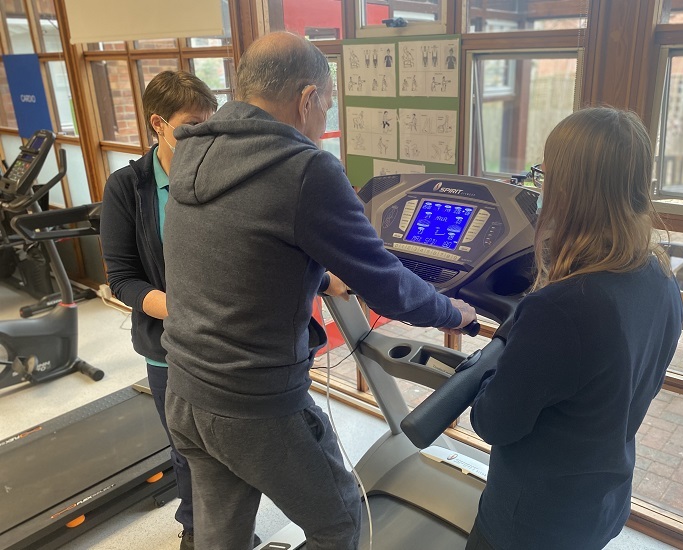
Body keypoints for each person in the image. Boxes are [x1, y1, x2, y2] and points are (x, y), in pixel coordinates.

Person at [161, 32, 476, 550]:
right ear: (307, 98)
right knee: (340, 521)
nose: (324, 120)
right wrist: (453, 315)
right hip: (256, 405)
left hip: (187, 390)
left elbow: (238, 243)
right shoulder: (305, 168)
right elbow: (391, 289)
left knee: (221, 530)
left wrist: (316, 270)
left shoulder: (193, 150)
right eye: (327, 105)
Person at [466, 107, 683, 550]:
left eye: (545, 175)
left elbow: (493, 423)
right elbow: (633, 385)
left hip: (529, 523)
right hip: (599, 503)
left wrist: (490, 368)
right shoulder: (661, 280)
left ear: (566, 189)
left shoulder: (562, 309)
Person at [99, 71, 219, 549]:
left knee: (230, 446)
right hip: (168, 343)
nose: (204, 136)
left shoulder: (218, 176)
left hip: (221, 340)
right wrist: (180, 309)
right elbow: (123, 278)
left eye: (211, 125)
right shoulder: (127, 188)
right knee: (188, 448)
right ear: (157, 124)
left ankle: (230, 525)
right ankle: (194, 528)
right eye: (192, 124)